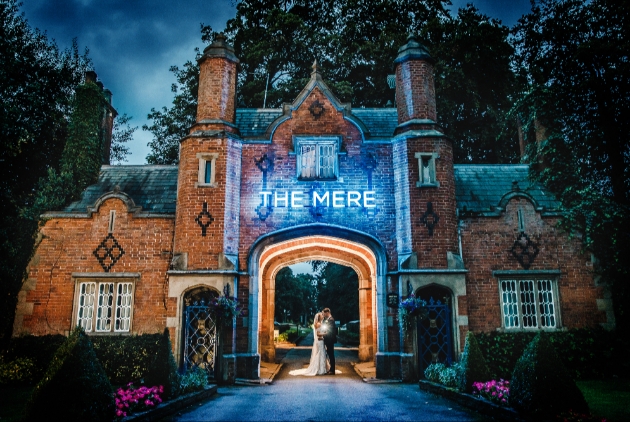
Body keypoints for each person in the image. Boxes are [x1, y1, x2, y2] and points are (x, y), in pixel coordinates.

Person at [289, 312, 329, 376]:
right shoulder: (319, 324)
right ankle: (320, 369)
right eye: (321, 315)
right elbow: (318, 334)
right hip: (320, 341)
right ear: (319, 317)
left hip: (319, 340)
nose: (323, 315)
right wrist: (325, 333)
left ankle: (321, 368)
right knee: (321, 353)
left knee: (320, 353)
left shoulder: (318, 323)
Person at [321, 308, 336, 375]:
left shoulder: (331, 320)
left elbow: (330, 331)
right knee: (330, 354)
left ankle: (332, 370)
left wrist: (324, 334)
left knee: (331, 354)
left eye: (324, 314)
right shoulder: (328, 320)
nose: (324, 315)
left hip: (330, 340)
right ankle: (331, 369)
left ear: (327, 312)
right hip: (329, 340)